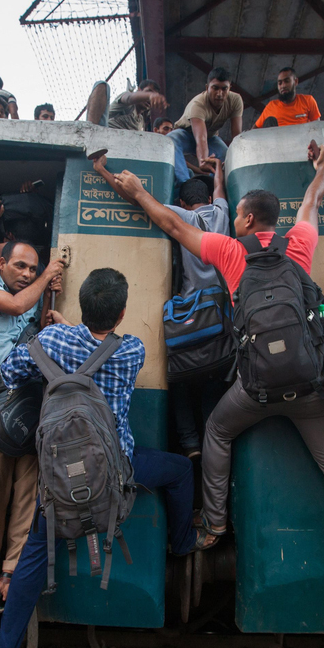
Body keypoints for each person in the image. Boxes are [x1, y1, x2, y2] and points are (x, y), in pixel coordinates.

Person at [110, 142, 324, 601]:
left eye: (238, 216)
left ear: (249, 219)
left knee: (215, 431)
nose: (234, 222)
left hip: (255, 389)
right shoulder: (301, 245)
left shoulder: (231, 253)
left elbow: (172, 224)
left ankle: (212, 524)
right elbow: (312, 201)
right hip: (312, 388)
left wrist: (137, 192)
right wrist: (321, 168)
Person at [0, 268, 201, 648]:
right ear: (122, 313)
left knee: (34, 553)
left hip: (59, 479)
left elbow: (10, 373)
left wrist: (57, 339)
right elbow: (99, 347)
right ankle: (183, 544)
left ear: (80, 304)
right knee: (181, 471)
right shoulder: (131, 350)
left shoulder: (50, 340)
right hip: (118, 472)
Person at [93, 153, 231, 459]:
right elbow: (220, 193)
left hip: (190, 317)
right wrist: (219, 170)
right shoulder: (222, 214)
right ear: (208, 198)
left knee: (179, 377)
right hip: (219, 319)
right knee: (213, 379)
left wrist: (102, 170)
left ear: (182, 204)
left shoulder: (182, 217)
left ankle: (189, 443)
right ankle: (212, 445)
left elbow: (134, 199)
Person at [0, 240, 64, 611]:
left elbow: (37, 329)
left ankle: (9, 570)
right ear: (1, 265)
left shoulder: (34, 293)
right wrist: (48, 276)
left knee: (26, 493)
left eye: (33, 269)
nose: (26, 275)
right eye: (20, 266)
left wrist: (49, 300)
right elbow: (18, 306)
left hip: (31, 408)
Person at [169, 67, 244, 184]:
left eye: (224, 89)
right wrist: (203, 160)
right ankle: (185, 184)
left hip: (211, 138)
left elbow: (236, 136)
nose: (219, 93)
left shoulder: (236, 100)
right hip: (187, 135)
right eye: (215, 88)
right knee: (171, 139)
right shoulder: (198, 104)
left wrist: (239, 159)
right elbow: (201, 139)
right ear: (207, 88)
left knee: (228, 154)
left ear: (230, 88)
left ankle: (214, 186)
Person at [254, 67, 321, 128]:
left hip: (302, 140)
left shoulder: (308, 100)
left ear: (296, 81)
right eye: (280, 83)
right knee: (270, 121)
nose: (283, 86)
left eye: (287, 81)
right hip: (278, 141)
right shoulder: (271, 106)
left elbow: (317, 128)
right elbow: (254, 130)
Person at [95, 79, 168, 131]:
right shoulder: (127, 104)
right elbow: (129, 98)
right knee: (101, 85)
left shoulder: (141, 121)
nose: (149, 98)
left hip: (119, 148)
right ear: (139, 90)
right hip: (104, 135)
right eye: (148, 91)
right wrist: (150, 95)